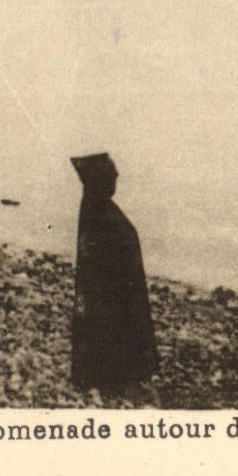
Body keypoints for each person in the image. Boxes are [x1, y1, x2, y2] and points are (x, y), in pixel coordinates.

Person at [70, 153, 157, 397]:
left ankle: (115, 372)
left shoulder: (97, 208)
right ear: (100, 178)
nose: (117, 175)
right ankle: (113, 374)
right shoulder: (99, 212)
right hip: (111, 296)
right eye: (111, 172)